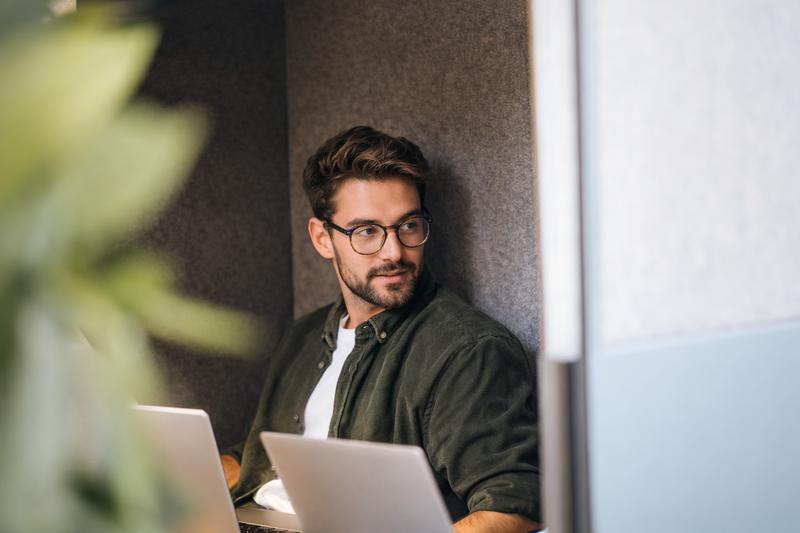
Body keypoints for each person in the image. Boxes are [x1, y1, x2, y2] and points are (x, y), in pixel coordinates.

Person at [220, 126, 543, 532]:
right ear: (323, 238)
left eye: (408, 225)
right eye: (367, 231)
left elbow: (514, 509)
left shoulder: (468, 350)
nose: (394, 252)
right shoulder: (303, 337)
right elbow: (266, 457)